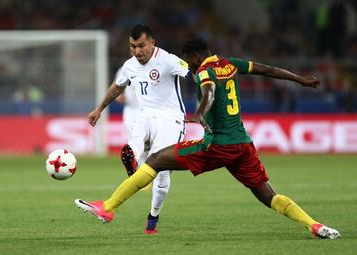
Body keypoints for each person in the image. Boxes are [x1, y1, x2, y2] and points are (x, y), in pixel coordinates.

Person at [76, 38, 341, 239]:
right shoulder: (229, 63)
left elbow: (209, 91)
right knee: (268, 196)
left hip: (217, 146)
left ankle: (108, 207)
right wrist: (300, 80)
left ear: (196, 56)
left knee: (156, 160)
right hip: (243, 146)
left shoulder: (204, 70)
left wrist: (199, 113)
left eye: (189, 60)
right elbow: (267, 70)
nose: (189, 65)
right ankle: (315, 225)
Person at [86, 24, 189, 234]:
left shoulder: (168, 60)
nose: (137, 51)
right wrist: (99, 109)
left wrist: (207, 105)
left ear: (152, 42)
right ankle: (131, 157)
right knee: (138, 131)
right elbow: (117, 87)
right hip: (147, 113)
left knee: (160, 170)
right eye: (133, 46)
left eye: (141, 45)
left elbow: (196, 75)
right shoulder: (129, 65)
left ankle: (153, 217)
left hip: (172, 119)